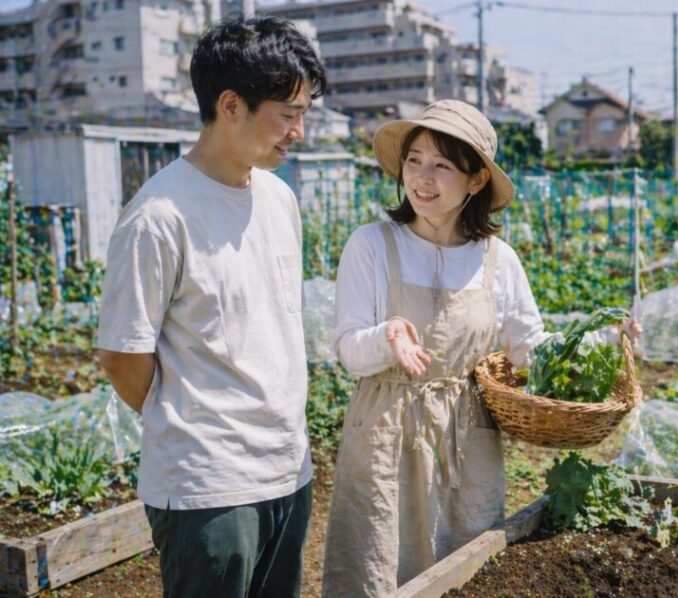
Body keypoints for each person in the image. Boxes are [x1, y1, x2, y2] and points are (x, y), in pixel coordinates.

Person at [322, 100, 640, 596]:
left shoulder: (497, 259)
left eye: (442, 166)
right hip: (386, 428)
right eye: (414, 161)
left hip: (467, 433)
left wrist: (598, 338)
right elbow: (348, 349)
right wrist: (386, 338)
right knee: (376, 562)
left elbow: (530, 348)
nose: (422, 178)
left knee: (465, 568)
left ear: (475, 182)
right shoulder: (372, 244)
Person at [95, 15, 326, 597]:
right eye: (288, 115)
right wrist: (197, 426)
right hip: (208, 489)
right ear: (230, 105)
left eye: (303, 115)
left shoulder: (278, 198)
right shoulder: (158, 216)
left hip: (287, 469)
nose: (298, 132)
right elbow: (124, 358)